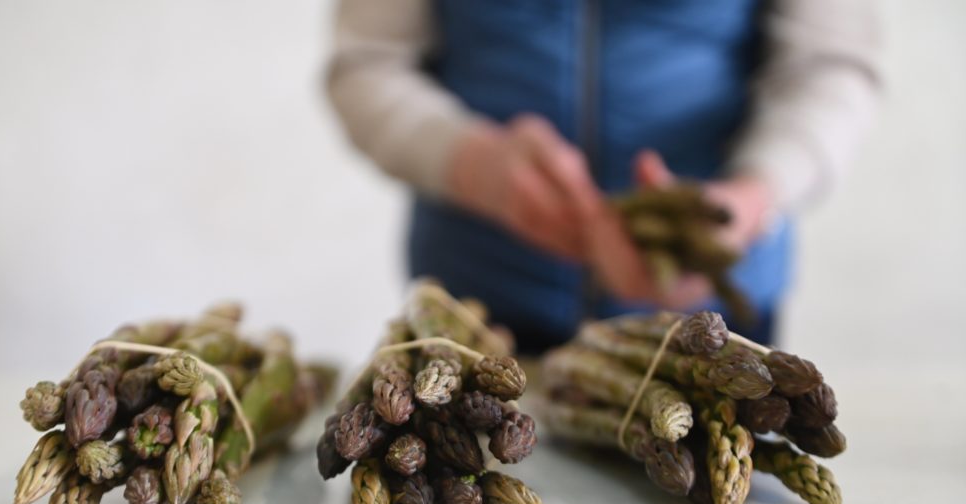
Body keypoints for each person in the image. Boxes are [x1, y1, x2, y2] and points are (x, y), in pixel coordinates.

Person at [325, 0, 882, 351]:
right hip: (479, 301)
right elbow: (367, 64)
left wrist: (750, 199)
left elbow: (830, 66)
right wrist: (472, 164)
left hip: (715, 317)